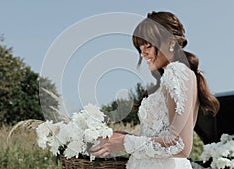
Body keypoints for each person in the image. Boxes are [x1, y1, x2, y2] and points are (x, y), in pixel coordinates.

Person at [91, 11, 220, 169]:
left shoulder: (177, 72)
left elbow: (180, 145)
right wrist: (122, 137)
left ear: (171, 42)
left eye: (148, 45)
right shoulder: (171, 77)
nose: (142, 53)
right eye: (140, 47)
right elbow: (158, 138)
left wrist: (125, 142)